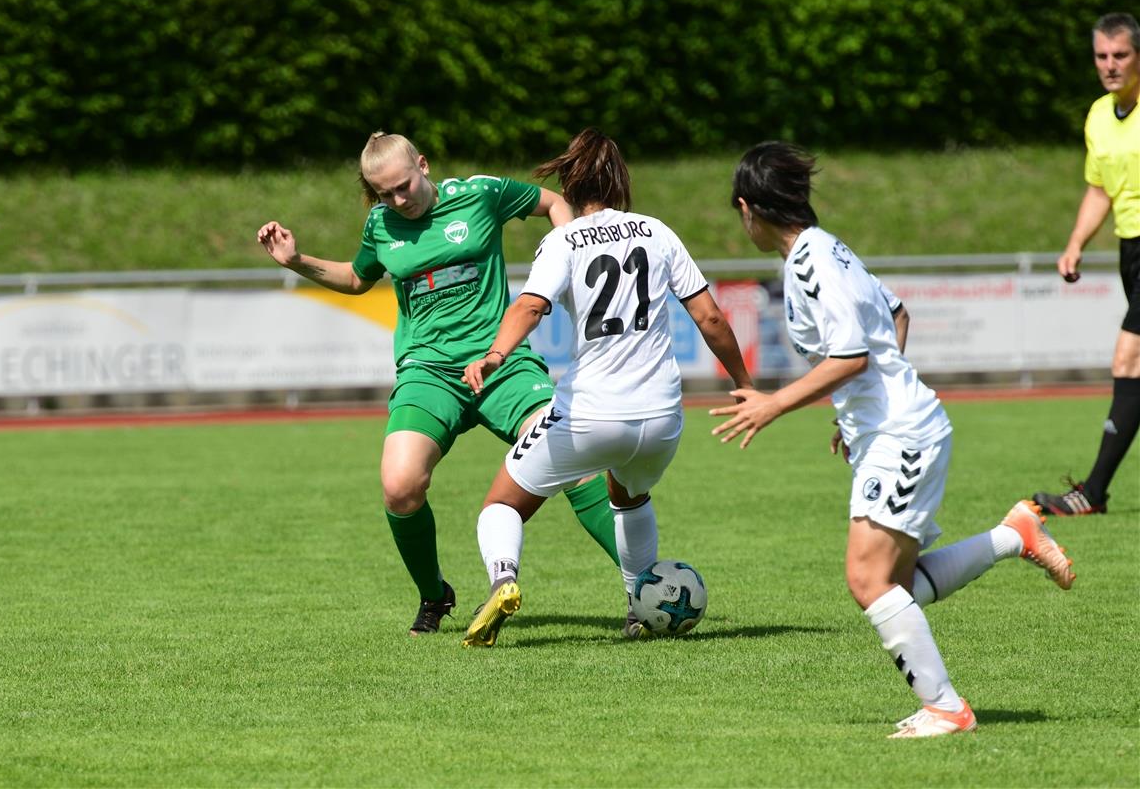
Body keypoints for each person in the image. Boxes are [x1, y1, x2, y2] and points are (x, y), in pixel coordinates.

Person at [711, 142, 1076, 737]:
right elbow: (898, 315)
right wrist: (856, 410)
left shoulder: (811, 263)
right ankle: (1015, 535)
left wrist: (775, 404)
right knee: (895, 586)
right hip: (896, 426)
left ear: (749, 209)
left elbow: (853, 356)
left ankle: (945, 707)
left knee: (867, 580)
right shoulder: (832, 251)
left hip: (902, 433)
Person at [256, 132, 622, 636]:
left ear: (423, 166)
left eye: (403, 186)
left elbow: (554, 203)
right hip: (428, 372)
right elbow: (359, 278)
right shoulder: (380, 224)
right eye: (383, 194)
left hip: (503, 367)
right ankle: (435, 595)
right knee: (399, 486)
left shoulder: (480, 193)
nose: (397, 200)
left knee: (576, 461)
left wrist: (567, 262)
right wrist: (297, 261)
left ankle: (640, 586)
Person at [459, 128, 753, 648]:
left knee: (501, 505)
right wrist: (745, 383)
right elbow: (709, 317)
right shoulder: (656, 231)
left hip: (591, 415)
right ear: (619, 181)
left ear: (569, 186)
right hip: (662, 418)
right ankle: (639, 608)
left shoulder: (562, 239)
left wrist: (495, 353)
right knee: (629, 495)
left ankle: (503, 580)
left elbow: (531, 305)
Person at [1033, 12, 1140, 517]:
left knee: (1129, 359)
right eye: (1102, 55)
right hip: (1130, 248)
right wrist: (1075, 243)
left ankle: (1092, 493)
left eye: (1121, 55)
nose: (1110, 65)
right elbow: (1099, 188)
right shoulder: (1099, 115)